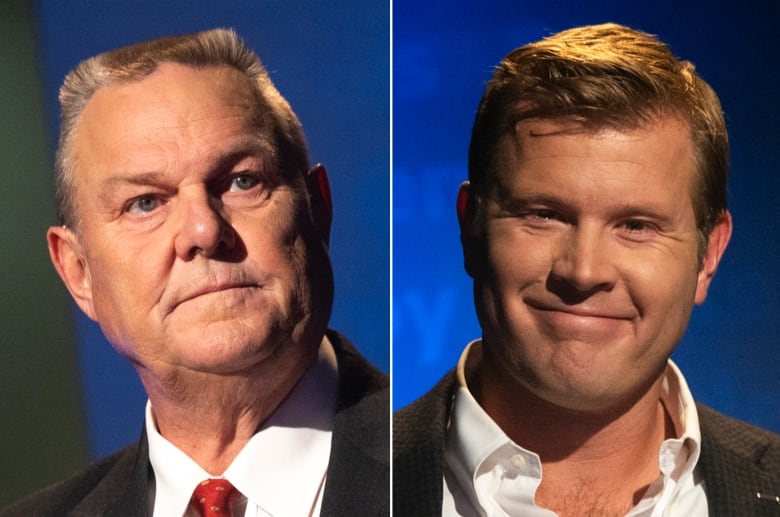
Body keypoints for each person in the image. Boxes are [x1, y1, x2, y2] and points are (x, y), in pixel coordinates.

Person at [393, 23, 780, 517]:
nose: (584, 270)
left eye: (637, 225)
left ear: (709, 256)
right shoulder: (358, 485)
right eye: (544, 215)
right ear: (471, 226)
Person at [1, 28, 388, 517]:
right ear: (79, 272)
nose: (204, 230)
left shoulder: (467, 475)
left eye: (242, 181)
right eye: (145, 203)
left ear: (318, 208)